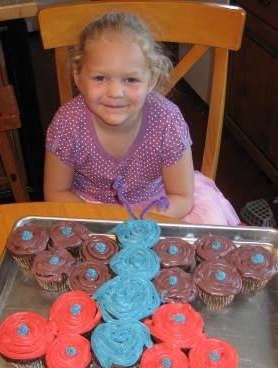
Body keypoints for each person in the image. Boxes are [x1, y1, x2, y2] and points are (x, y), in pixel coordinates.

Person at [44, 11, 240, 225]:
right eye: (100, 78)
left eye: (131, 79)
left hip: (159, 210)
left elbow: (182, 198)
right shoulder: (67, 123)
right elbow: (56, 192)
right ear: (78, 76)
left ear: (152, 79)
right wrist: (108, 221)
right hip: (89, 211)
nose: (115, 92)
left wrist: (138, 224)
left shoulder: (167, 120)